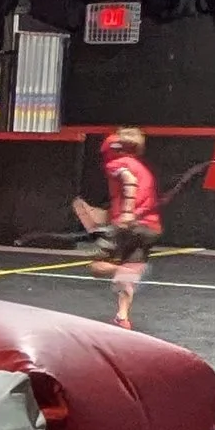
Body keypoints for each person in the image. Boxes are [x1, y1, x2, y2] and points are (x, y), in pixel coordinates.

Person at [71, 126, 161, 330]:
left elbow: (129, 182)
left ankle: (124, 270)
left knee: (96, 266)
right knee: (128, 272)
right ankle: (122, 316)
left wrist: (127, 212)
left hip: (129, 226)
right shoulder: (143, 169)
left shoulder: (118, 163)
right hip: (149, 228)